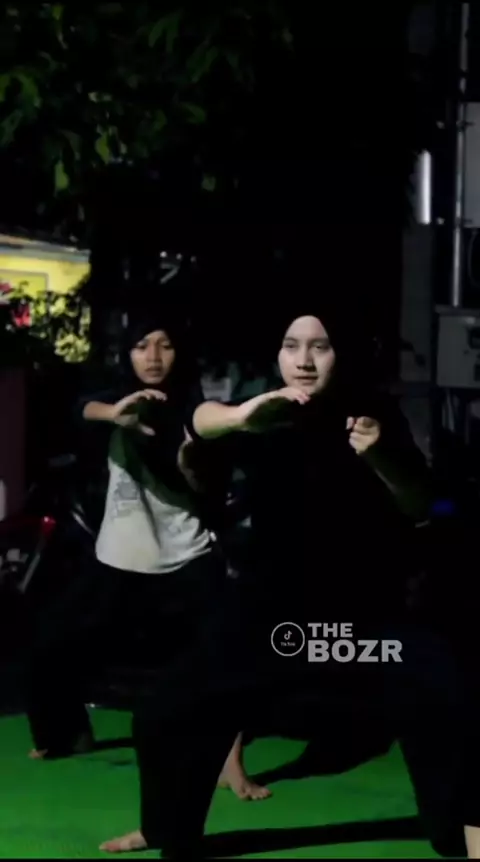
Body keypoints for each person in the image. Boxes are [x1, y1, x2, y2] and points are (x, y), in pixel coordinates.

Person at [126, 303, 480, 859]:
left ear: (342, 354)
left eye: (320, 346)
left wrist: (382, 457)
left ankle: (462, 835)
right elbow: (198, 427)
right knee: (166, 708)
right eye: (292, 346)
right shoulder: (264, 412)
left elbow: (419, 505)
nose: (304, 361)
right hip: (271, 620)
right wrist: (240, 419)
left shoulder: (372, 412)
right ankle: (163, 830)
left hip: (364, 622)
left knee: (448, 691)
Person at [24, 303, 268, 855]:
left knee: (221, 666)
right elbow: (80, 407)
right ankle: (64, 735)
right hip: (117, 557)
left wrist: (229, 424)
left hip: (186, 559)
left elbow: (204, 425)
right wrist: (115, 415)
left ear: (180, 353)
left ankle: (230, 763)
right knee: (48, 644)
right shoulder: (115, 396)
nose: (153, 356)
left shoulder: (186, 404)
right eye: (141, 346)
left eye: (164, 344)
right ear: (127, 353)